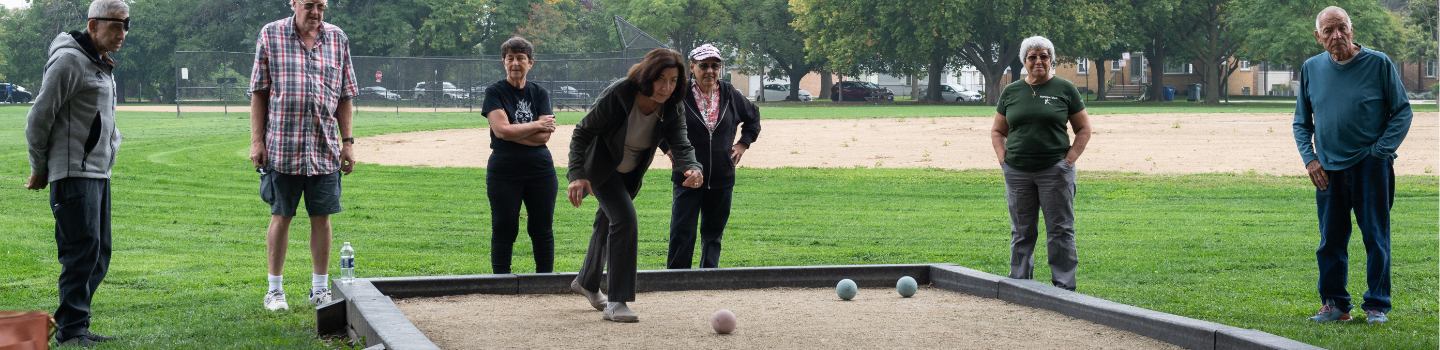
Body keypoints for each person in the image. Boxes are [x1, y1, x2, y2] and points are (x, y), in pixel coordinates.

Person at [567, 48, 704, 322]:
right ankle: (617, 302)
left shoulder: (673, 105)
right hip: (603, 170)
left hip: (630, 174)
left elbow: (681, 143)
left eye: (674, 80)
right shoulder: (619, 93)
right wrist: (577, 174)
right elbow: (582, 132)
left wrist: (693, 167)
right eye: (661, 79)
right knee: (626, 220)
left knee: (607, 223)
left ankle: (586, 282)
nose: (667, 87)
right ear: (648, 75)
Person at [1295, 6, 1412, 325]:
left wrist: (1380, 152)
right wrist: (1310, 159)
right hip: (1328, 170)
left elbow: (1402, 112)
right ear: (1318, 37)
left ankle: (1376, 305)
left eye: (1342, 28)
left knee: (1376, 236)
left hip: (1370, 167)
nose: (1337, 36)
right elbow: (1301, 123)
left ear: (1352, 29)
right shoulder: (1311, 69)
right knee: (1330, 238)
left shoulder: (1378, 63)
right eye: (1329, 31)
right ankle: (1334, 305)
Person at [23, 0, 129, 346]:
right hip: (73, 172)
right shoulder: (70, 60)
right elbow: (38, 117)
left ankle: (75, 323)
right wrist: (40, 168)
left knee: (99, 254)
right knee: (80, 252)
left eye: (126, 25)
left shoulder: (97, 62)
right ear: (92, 24)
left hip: (98, 172)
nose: (121, 33)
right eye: (114, 25)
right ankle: (71, 331)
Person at [248, 0, 358, 311]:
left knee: (321, 218)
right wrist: (257, 141)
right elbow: (259, 92)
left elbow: (345, 96)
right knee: (281, 215)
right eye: (309, 5)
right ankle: (275, 291)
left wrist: (347, 142)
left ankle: (320, 290)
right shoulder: (270, 35)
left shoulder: (338, 39)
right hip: (283, 146)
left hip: (324, 149)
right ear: (294, 3)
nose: (315, 12)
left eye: (321, 6)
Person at [989, 35, 1091, 291]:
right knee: (1022, 231)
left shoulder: (1065, 89)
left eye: (1043, 56)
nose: (1038, 61)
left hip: (1055, 171)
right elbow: (998, 131)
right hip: (1017, 171)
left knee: (1060, 230)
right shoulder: (1011, 91)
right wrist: (1003, 159)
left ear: (1051, 60)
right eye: (1032, 57)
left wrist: (1068, 162)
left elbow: (1084, 130)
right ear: (1024, 61)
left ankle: (1064, 287)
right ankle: (1021, 285)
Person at [659, 44, 761, 269]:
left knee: (713, 236)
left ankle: (708, 279)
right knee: (682, 232)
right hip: (687, 176)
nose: (710, 71)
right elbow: (656, 121)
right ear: (692, 67)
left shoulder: (729, 93)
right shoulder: (679, 94)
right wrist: (668, 149)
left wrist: (743, 144)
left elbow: (753, 117)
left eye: (715, 66)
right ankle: (676, 281)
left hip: (722, 178)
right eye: (703, 66)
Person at [481, 37, 558, 274]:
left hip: (541, 171)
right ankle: (500, 280)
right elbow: (501, 130)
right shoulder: (494, 92)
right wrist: (535, 124)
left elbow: (544, 137)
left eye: (520, 58)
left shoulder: (539, 92)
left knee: (541, 228)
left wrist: (510, 132)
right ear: (503, 62)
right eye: (510, 58)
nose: (515, 63)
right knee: (504, 226)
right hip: (504, 171)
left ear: (530, 62)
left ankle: (545, 280)